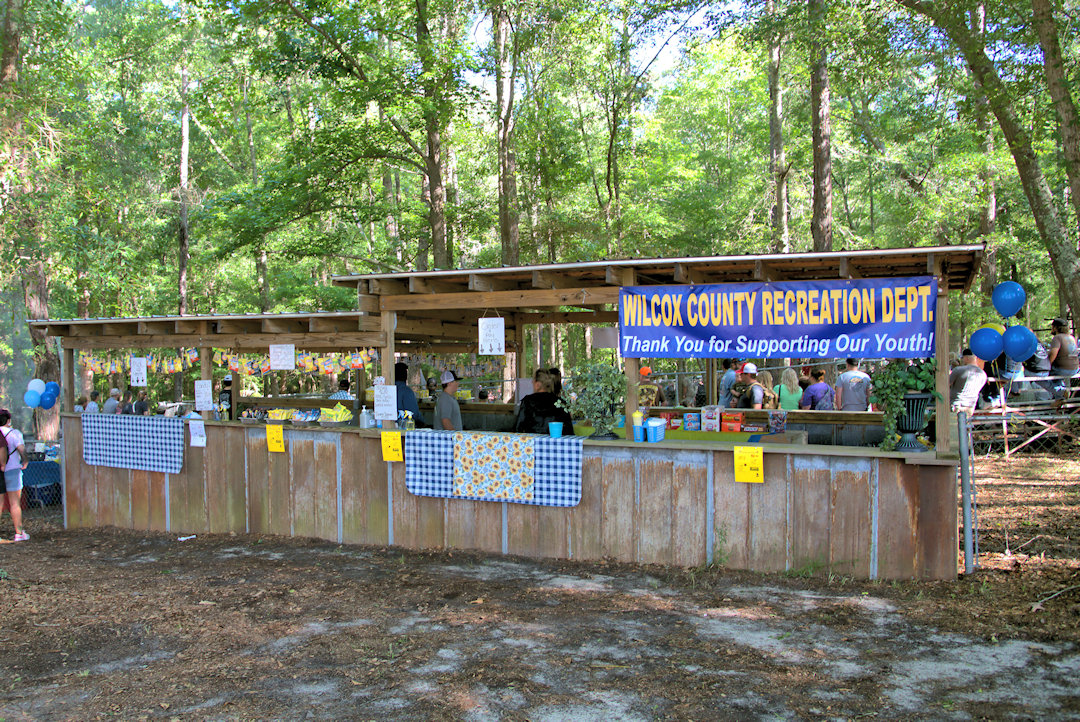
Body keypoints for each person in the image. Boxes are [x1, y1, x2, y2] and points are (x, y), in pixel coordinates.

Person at [515, 368, 575, 435]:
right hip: (556, 441)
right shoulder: (561, 403)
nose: (532, 383)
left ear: (537, 384)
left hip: (532, 440)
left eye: (533, 381)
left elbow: (518, 428)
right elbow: (569, 431)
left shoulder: (527, 401)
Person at [0, 409, 29, 542]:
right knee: (15, 503)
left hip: (1, 471)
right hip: (13, 470)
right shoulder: (14, 433)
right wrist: (25, 460)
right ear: (8, 420)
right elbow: (21, 449)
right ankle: (19, 532)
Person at [949, 349, 988, 414]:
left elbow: (946, 384)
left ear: (966, 358)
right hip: (970, 408)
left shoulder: (958, 370)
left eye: (962, 358)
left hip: (956, 405)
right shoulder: (983, 374)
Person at [394, 362, 429, 428]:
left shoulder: (387, 389)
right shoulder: (406, 391)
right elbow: (413, 412)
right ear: (405, 375)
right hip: (405, 426)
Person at [1048, 318, 1078, 393]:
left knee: (1045, 375)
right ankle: (1063, 392)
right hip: (1075, 369)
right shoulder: (1071, 337)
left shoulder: (1057, 338)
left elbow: (1053, 354)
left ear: (1055, 328)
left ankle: (1061, 392)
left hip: (1062, 369)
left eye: (1052, 327)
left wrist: (1047, 365)